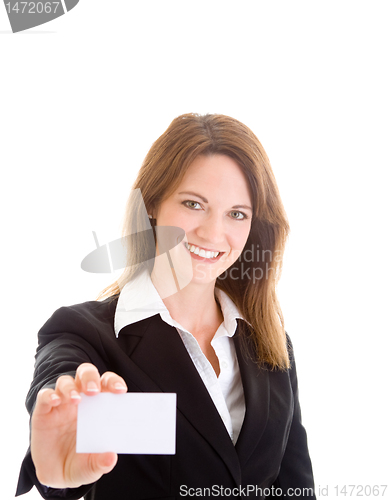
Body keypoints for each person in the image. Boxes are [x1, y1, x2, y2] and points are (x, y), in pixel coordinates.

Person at [16, 113, 316, 499]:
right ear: (153, 203)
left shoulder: (272, 345)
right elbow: (63, 391)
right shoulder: (84, 333)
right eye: (194, 204)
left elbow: (294, 489)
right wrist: (58, 466)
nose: (213, 232)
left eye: (237, 214)